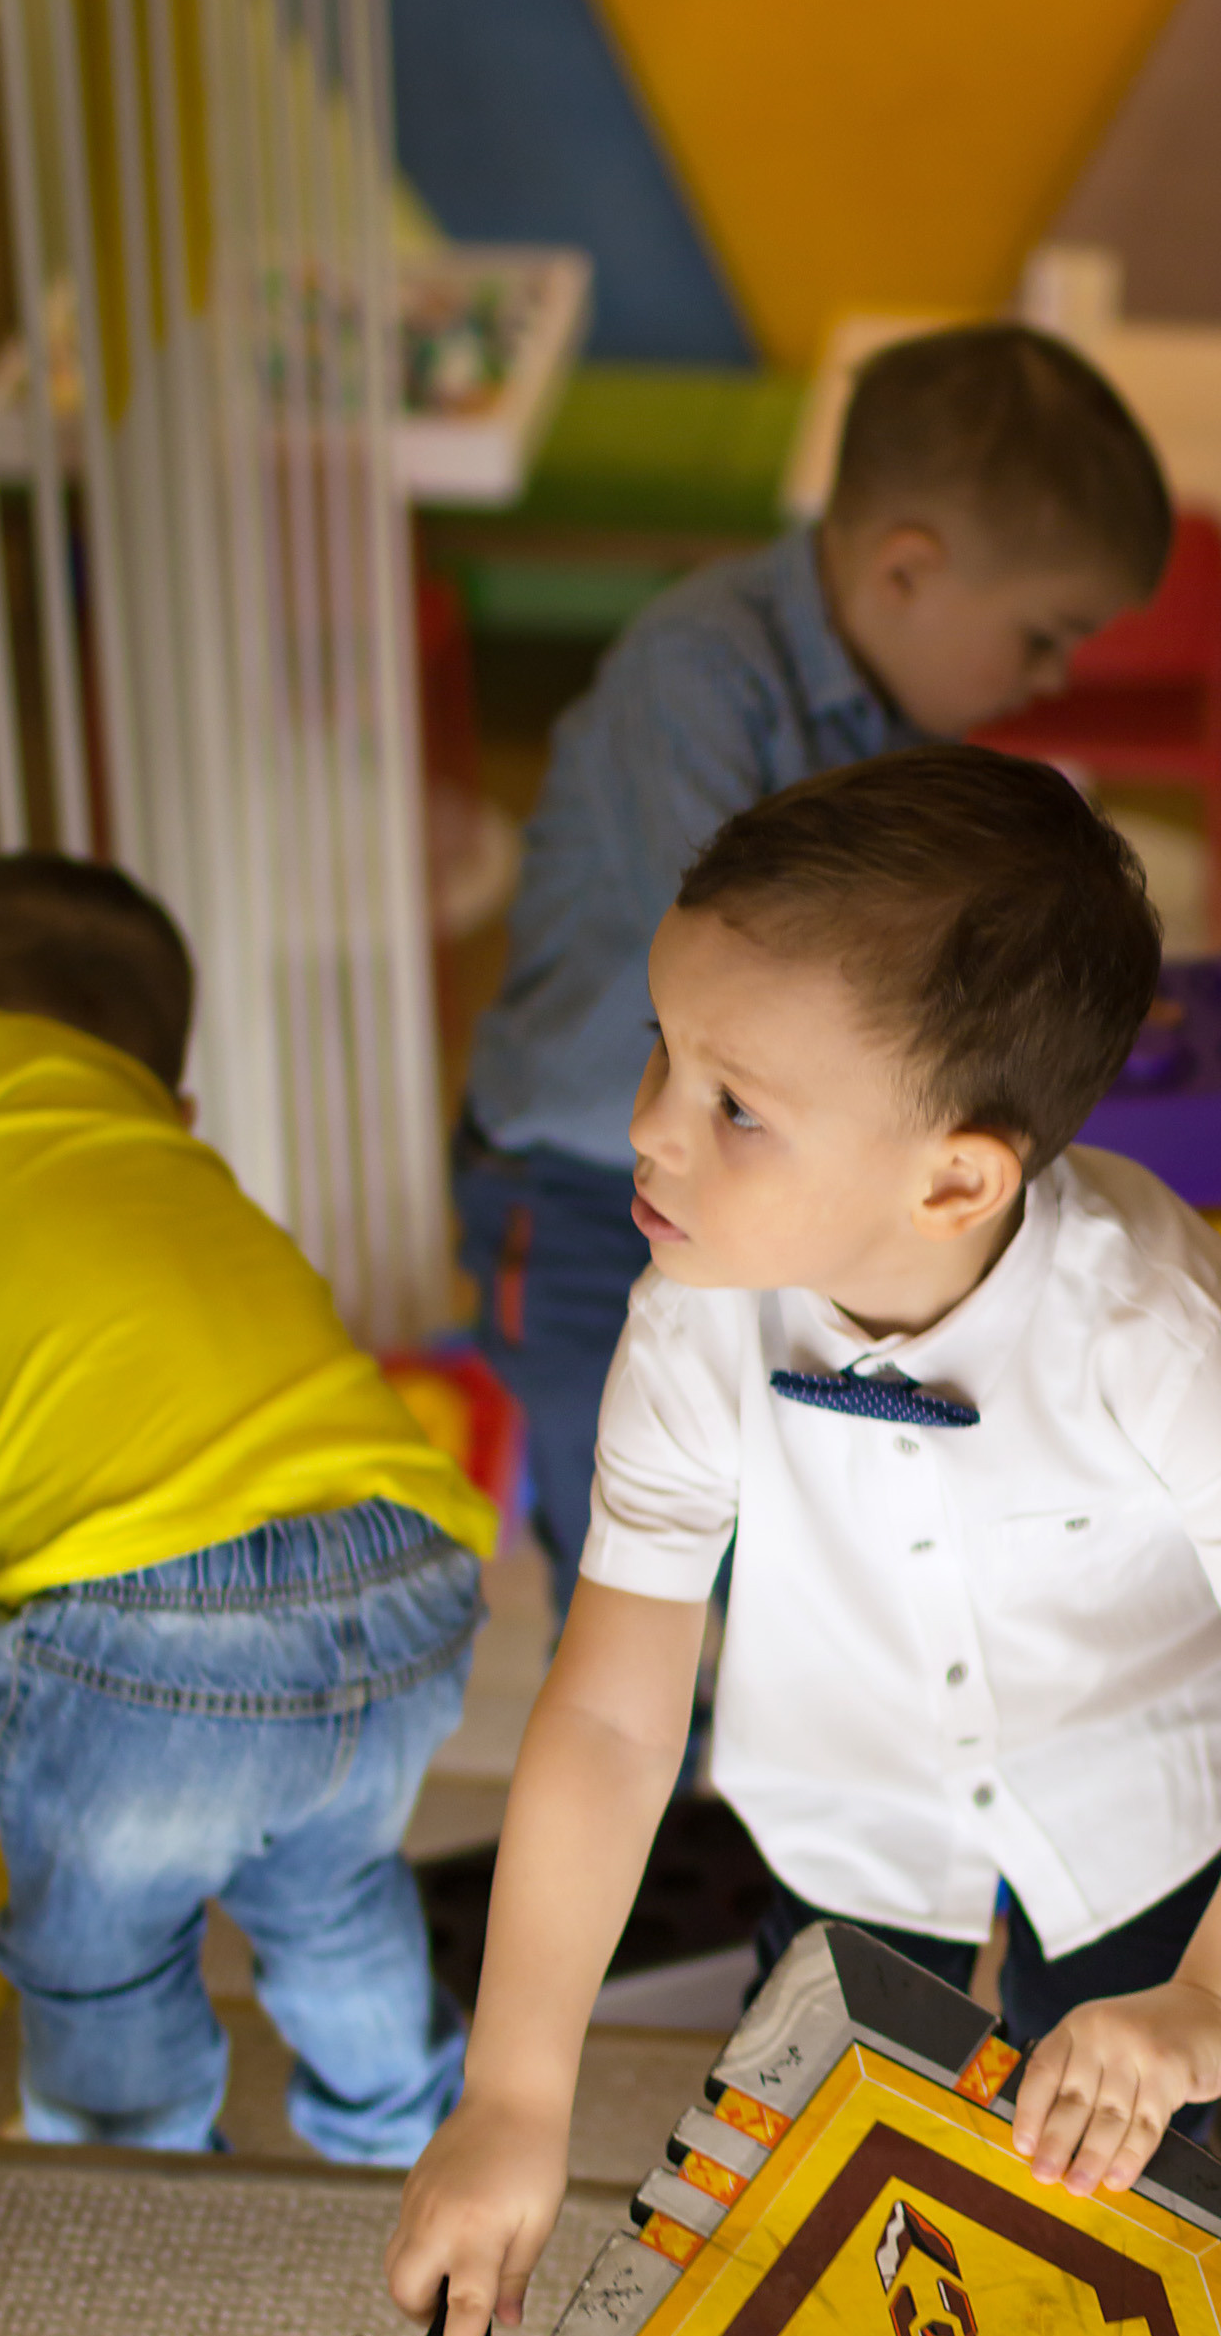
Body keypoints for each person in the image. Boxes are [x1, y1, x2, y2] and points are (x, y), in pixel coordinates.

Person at [388, 750, 1221, 2336]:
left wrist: (1213, 2003)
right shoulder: (687, 1321)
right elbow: (611, 1722)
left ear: (954, 1178)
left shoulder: (1150, 1321)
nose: (642, 1129)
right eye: (663, 1049)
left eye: (734, 1107)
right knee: (843, 2202)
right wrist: (513, 2088)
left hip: (1139, 1800)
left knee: (1131, 2183)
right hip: (844, 1806)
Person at [456, 323, 1171, 1621]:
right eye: (1043, 636)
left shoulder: (902, 718)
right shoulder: (702, 677)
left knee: (779, 1516)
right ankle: (656, 1802)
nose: (1051, 677)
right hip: (581, 1188)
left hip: (772, 1179)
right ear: (909, 569)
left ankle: (754, 1753)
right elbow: (760, 988)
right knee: (630, 1551)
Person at [0, 855, 498, 2162]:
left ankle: (132, 2197)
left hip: (157, 1632)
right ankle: (410, 2143)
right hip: (409, 1583)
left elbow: (153, 1579)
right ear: (178, 1104)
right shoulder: (169, 1164)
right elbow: (189, 1498)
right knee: (333, 1895)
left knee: (105, 1955)